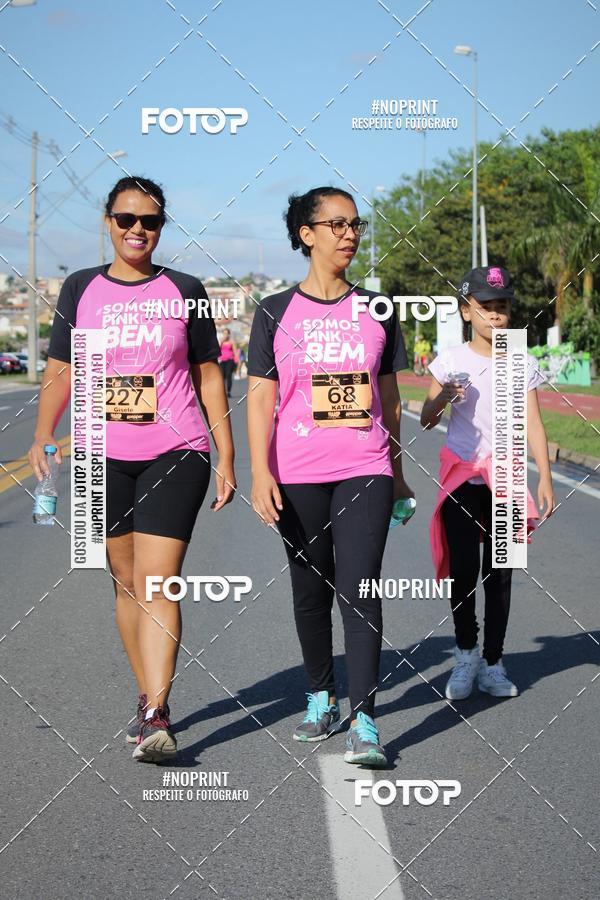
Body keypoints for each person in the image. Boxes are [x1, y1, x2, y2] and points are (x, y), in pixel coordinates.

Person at [28, 176, 236, 763]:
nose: (137, 229)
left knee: (158, 580)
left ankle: (157, 711)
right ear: (108, 222)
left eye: (149, 221)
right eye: (125, 219)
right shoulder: (79, 289)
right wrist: (44, 433)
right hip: (98, 451)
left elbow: (209, 375)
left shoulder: (186, 289)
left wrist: (228, 453)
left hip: (177, 449)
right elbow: (61, 369)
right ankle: (145, 692)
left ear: (162, 227)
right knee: (123, 582)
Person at [247, 186, 413, 766]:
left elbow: (389, 399)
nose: (349, 234)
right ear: (306, 234)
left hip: (364, 465)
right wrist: (259, 469)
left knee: (361, 586)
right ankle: (321, 694)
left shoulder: (378, 308)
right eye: (337, 224)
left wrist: (398, 471)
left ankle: (364, 717)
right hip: (296, 471)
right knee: (310, 588)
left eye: (356, 224)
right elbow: (261, 396)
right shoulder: (273, 311)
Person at [421, 266, 554, 700]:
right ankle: (465, 654)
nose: (495, 316)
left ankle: (493, 662)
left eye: (502, 308)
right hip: (463, 473)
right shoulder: (450, 362)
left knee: (500, 574)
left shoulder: (521, 359)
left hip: (510, 477)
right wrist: (443, 397)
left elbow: (534, 422)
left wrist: (545, 477)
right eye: (486, 307)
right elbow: (426, 420)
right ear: (466, 311)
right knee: (463, 571)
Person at [219, 328, 238, 397]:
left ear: (229, 334)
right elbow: (217, 350)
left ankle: (228, 391)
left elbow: (235, 352)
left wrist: (236, 362)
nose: (225, 335)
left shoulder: (232, 342)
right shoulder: (221, 341)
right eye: (224, 333)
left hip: (230, 360)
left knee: (228, 375)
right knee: (222, 376)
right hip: (222, 361)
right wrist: (221, 342)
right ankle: (222, 391)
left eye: (226, 333)